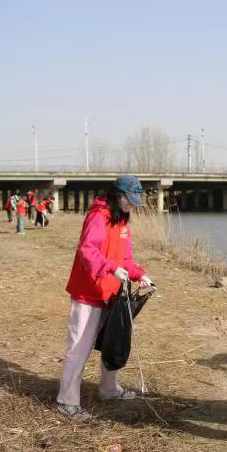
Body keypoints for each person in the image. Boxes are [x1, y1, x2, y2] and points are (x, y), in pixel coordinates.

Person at [57, 175, 153, 420]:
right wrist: (110, 268)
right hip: (88, 293)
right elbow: (87, 250)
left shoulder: (122, 223)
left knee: (114, 341)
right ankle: (67, 401)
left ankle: (109, 389)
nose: (131, 205)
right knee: (79, 347)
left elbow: (127, 259)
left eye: (134, 201)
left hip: (111, 294)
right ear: (116, 195)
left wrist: (139, 275)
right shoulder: (98, 216)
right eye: (128, 200)